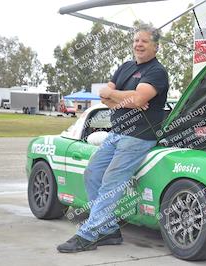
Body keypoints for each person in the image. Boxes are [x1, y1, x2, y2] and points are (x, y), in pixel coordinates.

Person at [57, 25, 169, 253]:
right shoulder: (125, 67)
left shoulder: (157, 72)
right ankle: (108, 229)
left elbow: (138, 99)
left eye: (144, 41)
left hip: (139, 136)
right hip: (117, 132)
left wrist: (119, 96)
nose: (138, 44)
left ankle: (88, 234)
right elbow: (105, 96)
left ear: (155, 46)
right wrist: (126, 97)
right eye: (136, 40)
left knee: (111, 181)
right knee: (92, 173)